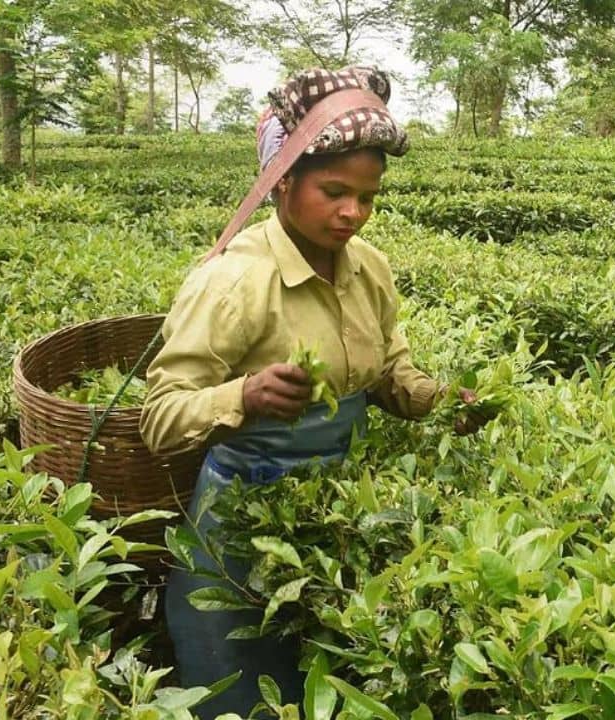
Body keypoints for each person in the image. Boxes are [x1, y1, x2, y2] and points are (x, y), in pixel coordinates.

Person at [139, 66, 483, 718]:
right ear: (282, 183)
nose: (353, 212)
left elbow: (388, 372)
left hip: (334, 522)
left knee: (326, 684)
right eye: (333, 192)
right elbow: (158, 419)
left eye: (368, 195)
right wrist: (243, 395)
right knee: (246, 692)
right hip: (240, 529)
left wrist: (444, 401)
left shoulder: (370, 268)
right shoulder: (233, 282)